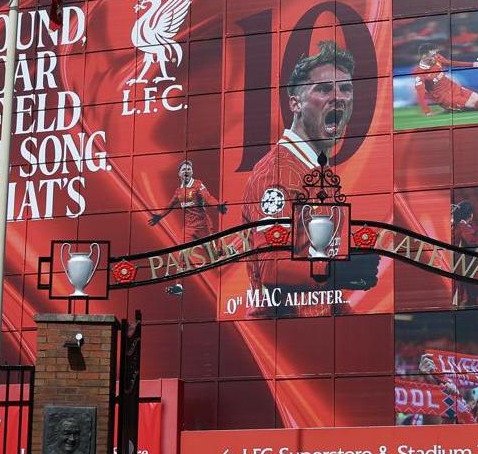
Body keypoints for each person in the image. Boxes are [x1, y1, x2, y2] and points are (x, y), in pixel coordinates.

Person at [243, 40, 378, 313]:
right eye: (325, 88)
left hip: (314, 332)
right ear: (295, 104)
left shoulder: (316, 171)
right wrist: (336, 271)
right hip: (283, 337)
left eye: (346, 88)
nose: (339, 96)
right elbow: (271, 267)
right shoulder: (277, 173)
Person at [148, 159, 228, 243]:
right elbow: (170, 205)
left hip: (203, 226)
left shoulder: (198, 184)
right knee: (182, 251)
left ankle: (226, 250)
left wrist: (217, 205)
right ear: (179, 174)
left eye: (189, 169)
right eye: (184, 169)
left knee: (213, 253)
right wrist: (160, 216)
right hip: (189, 228)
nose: (186, 171)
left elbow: (208, 197)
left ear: (192, 172)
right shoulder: (179, 191)